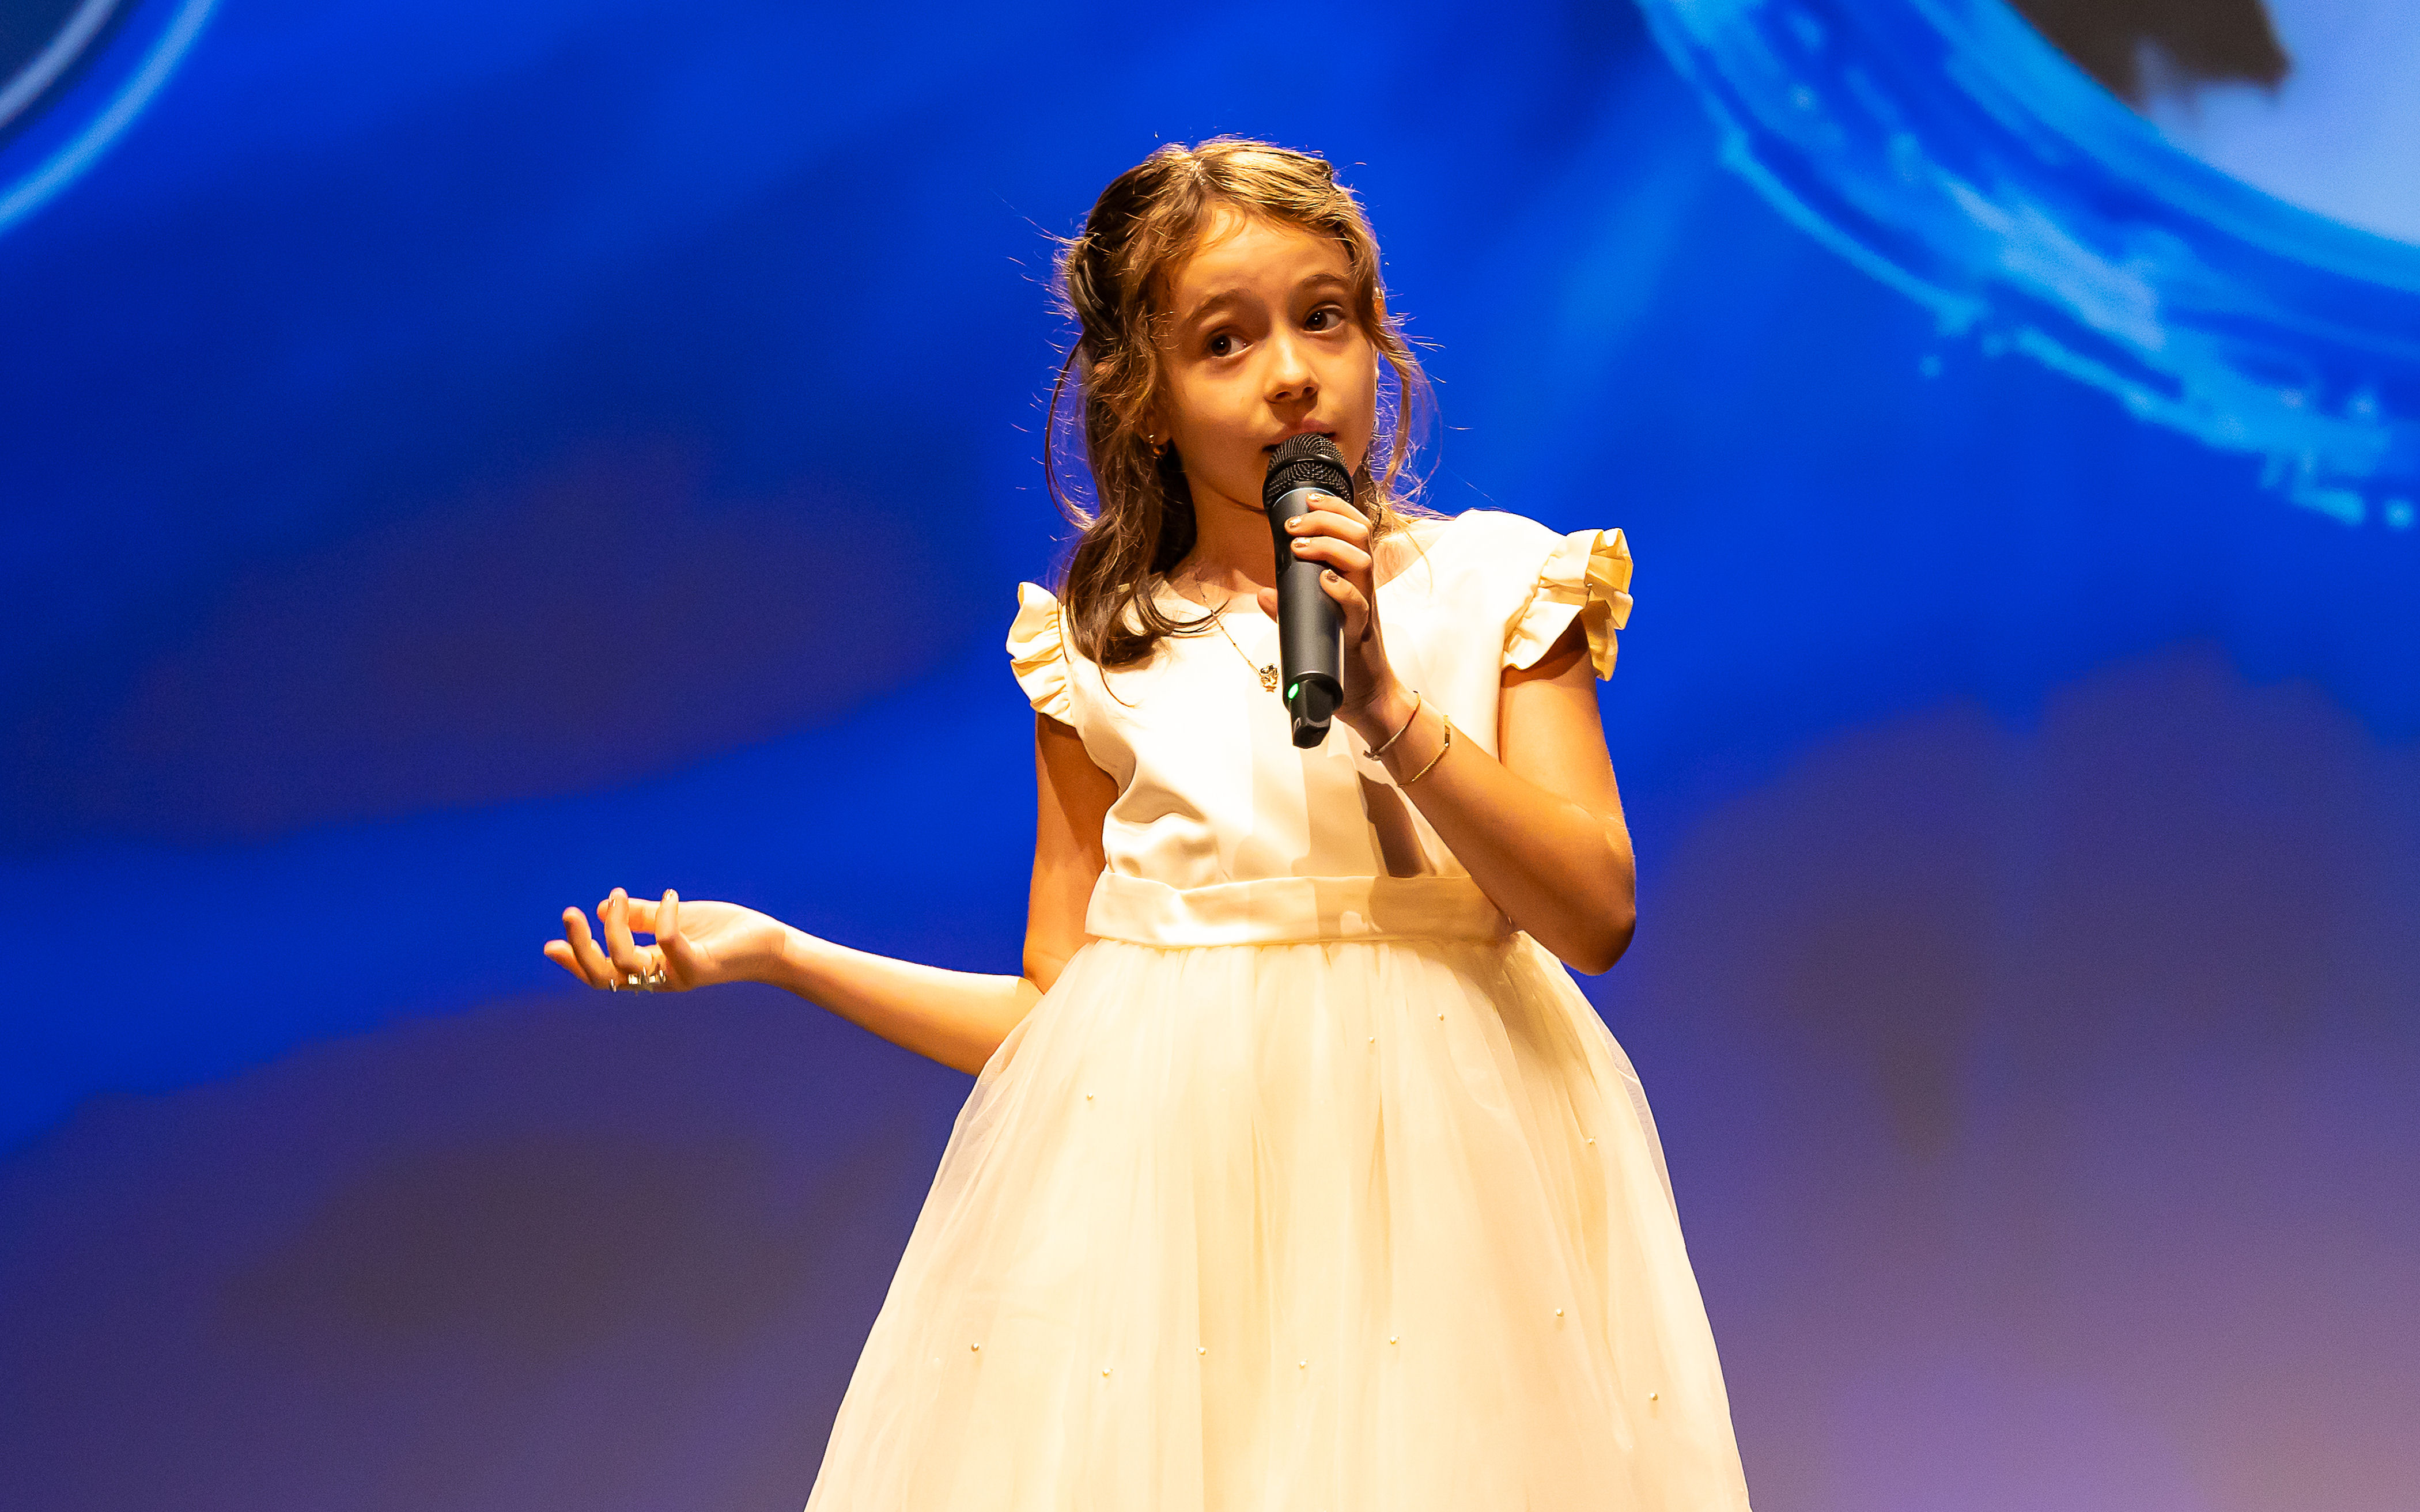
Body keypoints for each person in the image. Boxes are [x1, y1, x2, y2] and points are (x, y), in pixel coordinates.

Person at [544, 137, 1752, 1509]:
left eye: (1324, 318)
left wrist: (1382, 703)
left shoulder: (1497, 586)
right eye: (1225, 342)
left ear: (1378, 338)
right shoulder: (1100, 650)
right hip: (1177, 1269)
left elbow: (1596, 908)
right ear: (1147, 397)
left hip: (1459, 1226)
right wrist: (786, 954)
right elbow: (1065, 1026)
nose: (1290, 373)